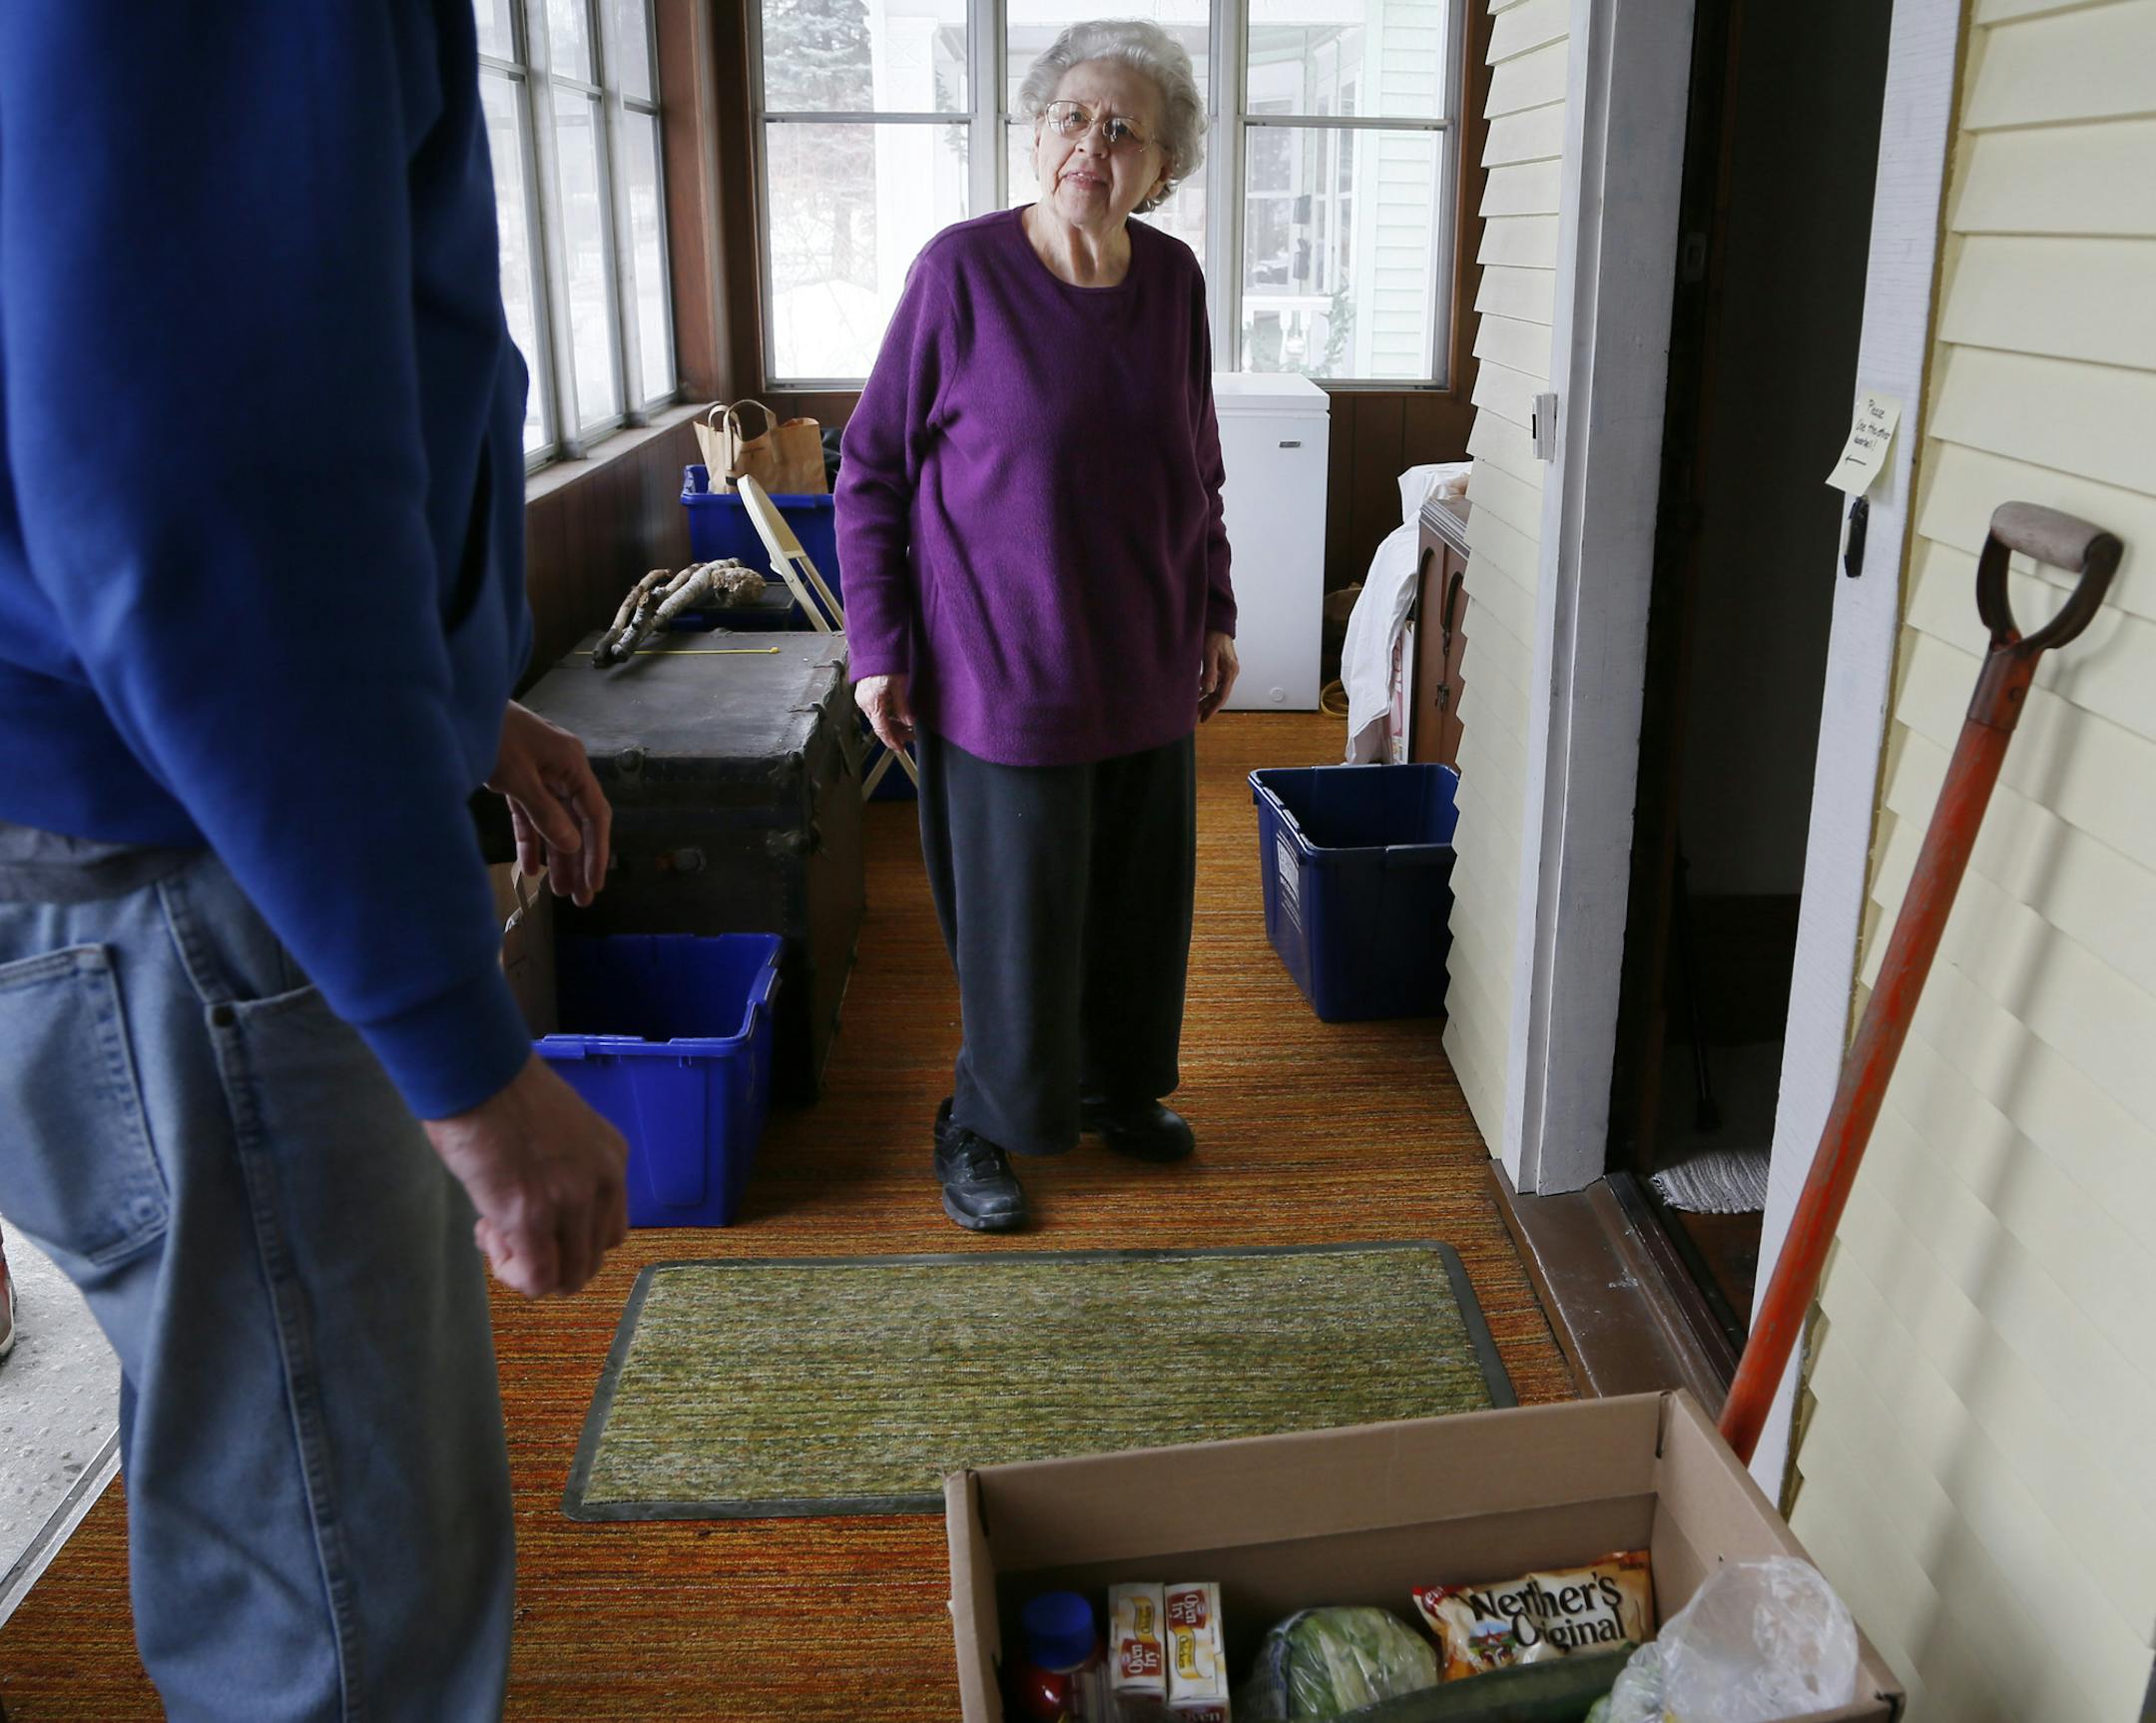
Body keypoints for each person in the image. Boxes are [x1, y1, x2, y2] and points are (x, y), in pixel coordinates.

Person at [0, 8, 630, 1718]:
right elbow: (190, 496)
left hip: (136, 803)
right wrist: (461, 1052)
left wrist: (440, 690)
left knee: (253, 1465)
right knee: (345, 1606)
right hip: (181, 867)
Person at [837, 20, 1238, 1234]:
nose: (1092, 146)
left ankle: (1118, 1089)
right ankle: (981, 1118)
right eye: (1073, 118)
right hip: (1002, 670)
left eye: (1125, 130)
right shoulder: (960, 273)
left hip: (1147, 655)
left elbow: (1197, 468)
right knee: (1019, 921)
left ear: (1162, 166)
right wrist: (878, 647)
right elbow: (869, 473)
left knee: (1136, 902)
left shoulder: (1171, 282)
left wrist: (1215, 610)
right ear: (1034, 132)